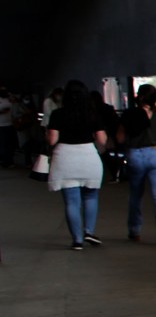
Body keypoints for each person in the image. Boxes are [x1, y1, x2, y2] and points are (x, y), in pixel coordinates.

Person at [46, 79, 107, 250]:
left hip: (65, 158)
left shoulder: (58, 114)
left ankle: (77, 240)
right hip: (88, 157)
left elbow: (52, 140)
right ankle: (89, 231)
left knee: (72, 202)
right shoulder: (92, 114)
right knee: (90, 196)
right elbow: (102, 140)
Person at [121, 84, 156, 245]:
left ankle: (134, 231)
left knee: (136, 194)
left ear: (140, 96)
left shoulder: (129, 114)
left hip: (136, 154)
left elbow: (120, 137)